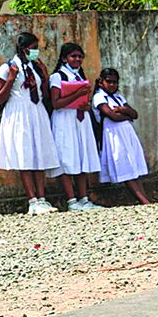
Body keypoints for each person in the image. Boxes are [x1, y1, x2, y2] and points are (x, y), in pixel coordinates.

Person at [0, 32, 60, 215]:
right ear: (24, 49)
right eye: (33, 48)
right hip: (19, 113)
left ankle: (42, 198)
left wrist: (45, 76)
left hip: (36, 112)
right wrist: (11, 79)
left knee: (39, 155)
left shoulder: (35, 67)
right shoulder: (7, 67)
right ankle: (32, 200)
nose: (36, 51)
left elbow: (44, 94)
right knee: (25, 156)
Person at [47, 42, 103, 211]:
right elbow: (56, 103)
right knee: (65, 158)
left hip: (80, 120)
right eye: (73, 56)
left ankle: (84, 199)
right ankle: (72, 201)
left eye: (80, 56)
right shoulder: (57, 77)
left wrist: (85, 104)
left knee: (81, 156)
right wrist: (77, 94)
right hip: (64, 120)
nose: (77, 59)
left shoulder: (79, 76)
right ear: (65, 58)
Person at [92, 68, 151, 204]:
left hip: (127, 134)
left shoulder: (118, 98)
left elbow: (135, 114)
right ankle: (143, 201)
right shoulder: (99, 97)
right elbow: (112, 116)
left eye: (115, 82)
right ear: (101, 82)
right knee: (124, 165)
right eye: (109, 82)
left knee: (133, 166)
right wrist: (127, 115)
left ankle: (145, 199)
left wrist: (123, 110)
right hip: (113, 136)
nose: (112, 85)